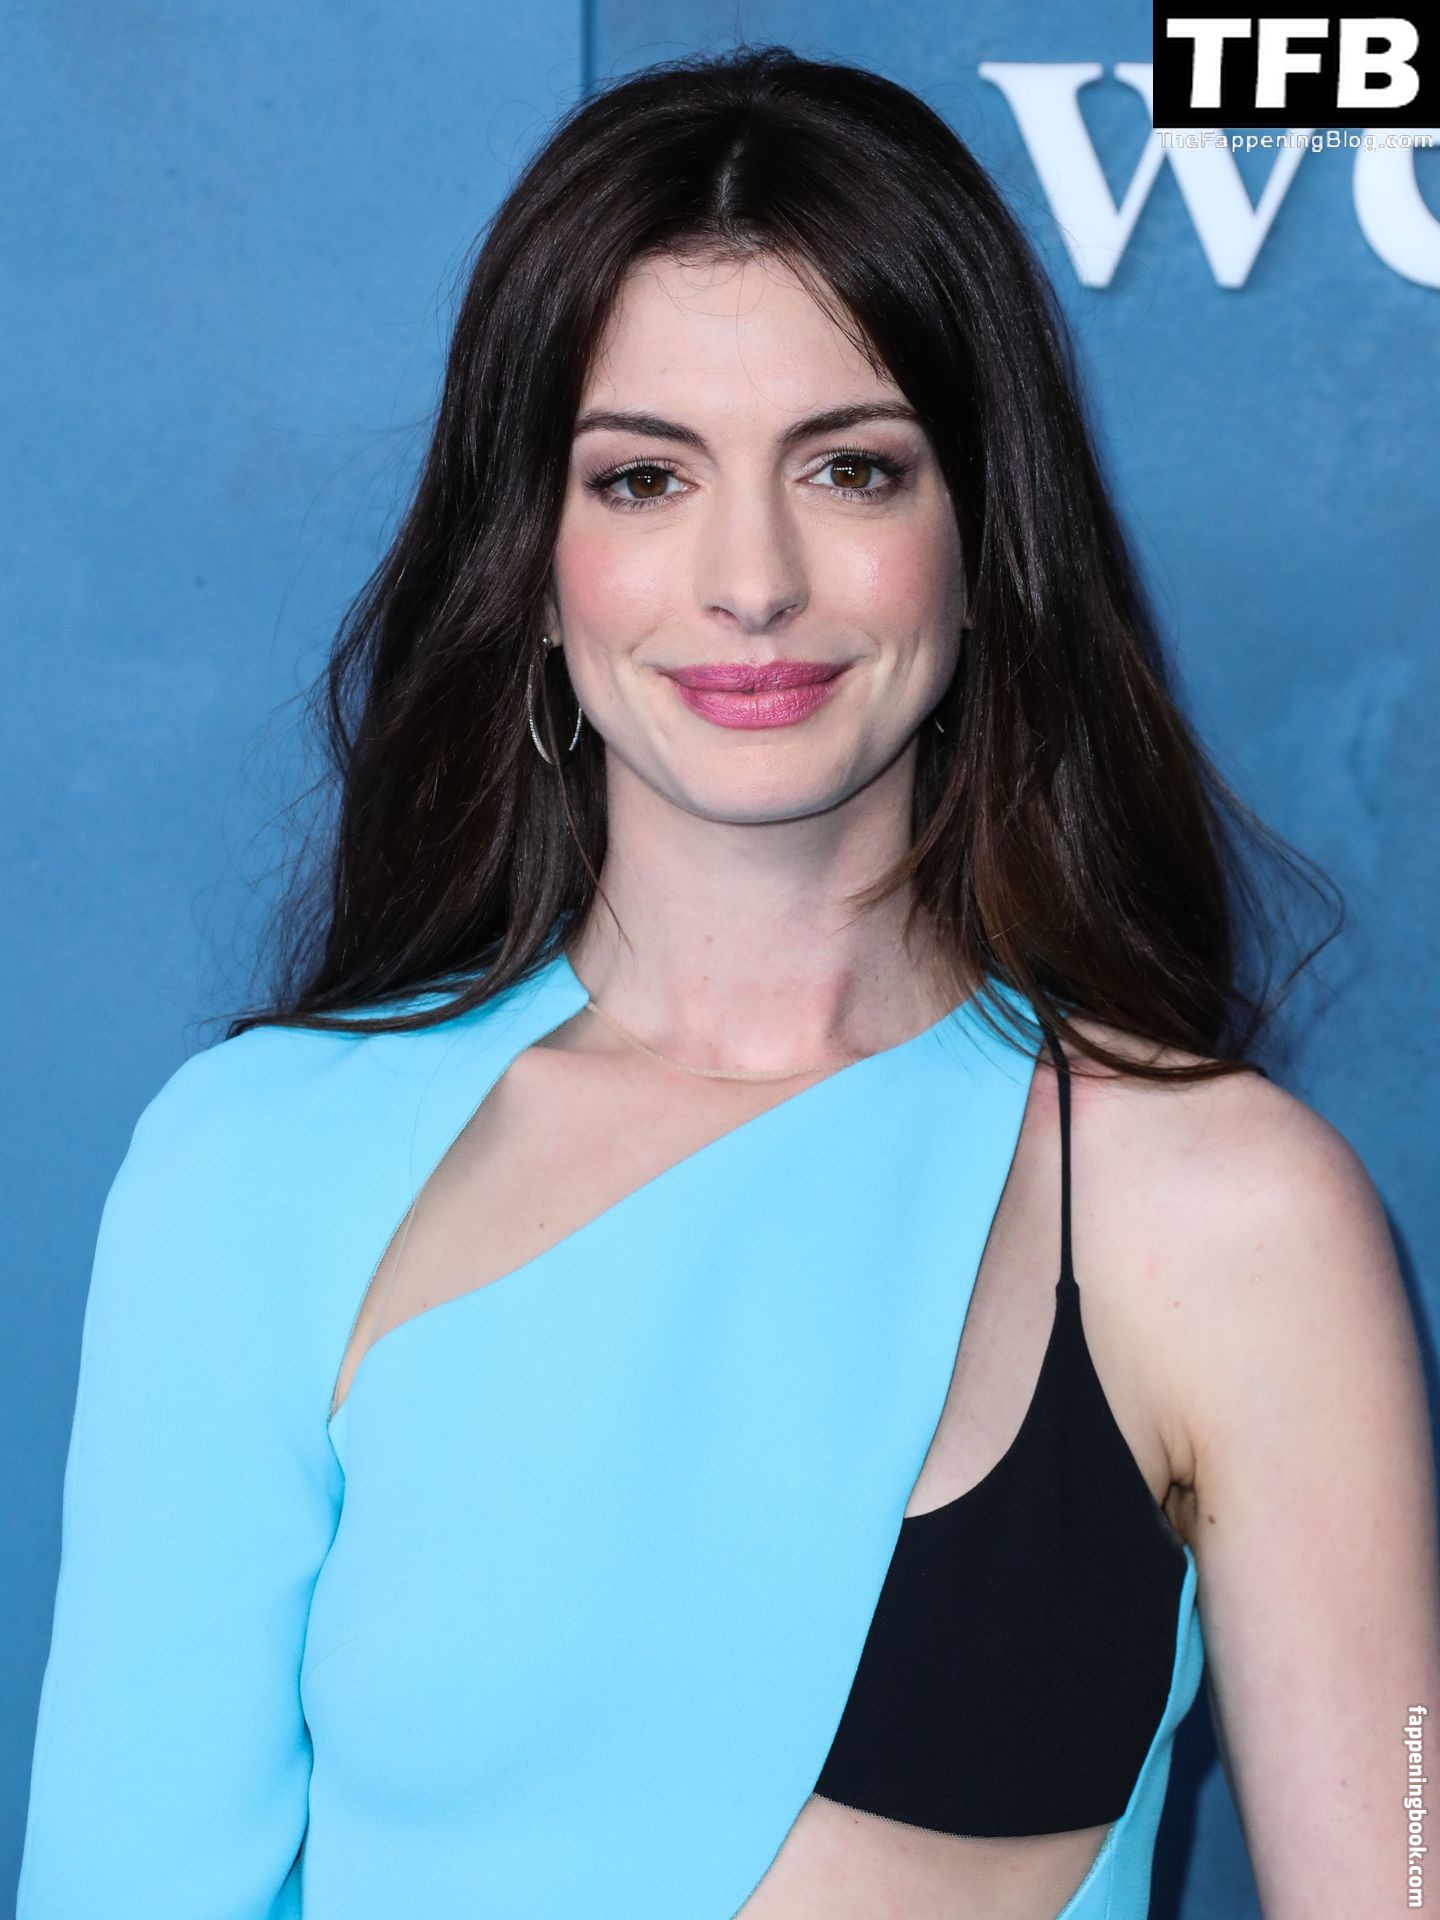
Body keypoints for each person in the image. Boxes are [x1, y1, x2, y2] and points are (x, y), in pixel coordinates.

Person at [18, 42, 1439, 1920]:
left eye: (851, 469)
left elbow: (1400, 1865)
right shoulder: (257, 1168)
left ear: (983, 540)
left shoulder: (1227, 1215)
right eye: (642, 478)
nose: (750, 577)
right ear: (533, 564)